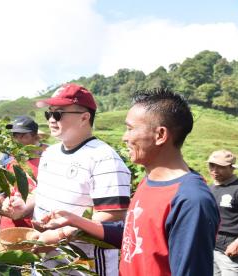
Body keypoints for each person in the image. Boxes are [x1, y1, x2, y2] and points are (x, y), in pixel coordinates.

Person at [36, 88, 220, 276]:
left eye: (130, 129)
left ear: (160, 135)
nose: (124, 137)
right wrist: (75, 222)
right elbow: (132, 234)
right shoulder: (149, 182)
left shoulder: (191, 200)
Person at [29, 83, 132, 276]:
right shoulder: (49, 153)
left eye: (58, 114)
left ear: (84, 117)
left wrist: (60, 235)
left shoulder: (104, 159)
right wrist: (23, 207)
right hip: (45, 261)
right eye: (49, 114)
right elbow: (41, 193)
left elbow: (112, 218)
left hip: (84, 266)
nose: (51, 120)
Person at [0, 115, 48, 229]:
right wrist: (2, 197)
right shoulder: (11, 160)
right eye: (15, 136)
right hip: (9, 225)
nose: (18, 141)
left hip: (34, 227)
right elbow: (9, 188)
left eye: (23, 136)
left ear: (35, 136)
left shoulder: (48, 161)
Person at [208, 150, 238, 275]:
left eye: (220, 167)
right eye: (212, 165)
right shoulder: (210, 188)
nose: (214, 170)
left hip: (232, 252)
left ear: (232, 167)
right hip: (211, 248)